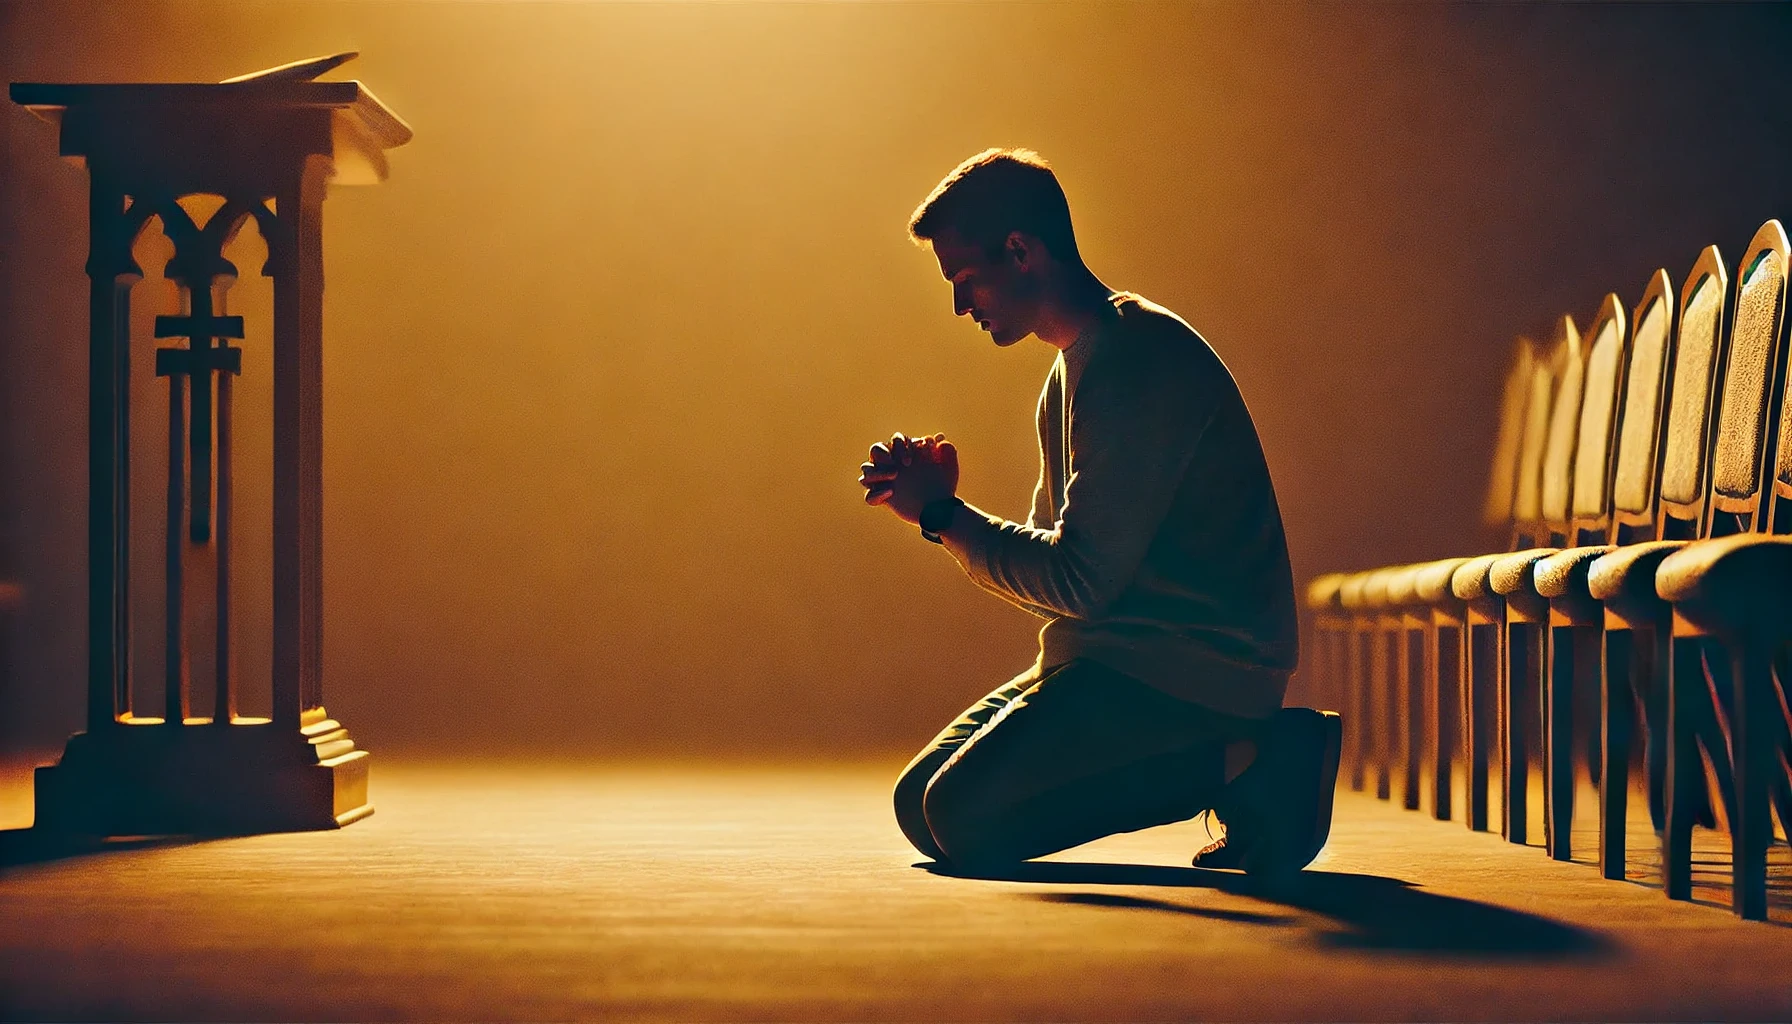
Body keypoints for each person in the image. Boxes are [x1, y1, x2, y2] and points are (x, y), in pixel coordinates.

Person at [859, 148, 1341, 876]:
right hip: (1115, 662)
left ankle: (1257, 757)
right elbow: (1066, 579)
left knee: (961, 816)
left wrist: (944, 517)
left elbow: (1081, 584)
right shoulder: (1073, 371)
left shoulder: (1133, 362)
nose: (961, 305)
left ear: (1020, 251)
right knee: (919, 806)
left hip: (1189, 673)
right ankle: (1230, 759)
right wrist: (941, 512)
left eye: (966, 279)